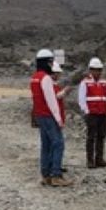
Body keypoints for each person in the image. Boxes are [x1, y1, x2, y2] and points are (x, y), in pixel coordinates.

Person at [31, 49, 72, 187]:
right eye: (50, 61)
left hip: (41, 115)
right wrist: (59, 119)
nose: (51, 64)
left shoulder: (35, 77)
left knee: (46, 145)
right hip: (49, 115)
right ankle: (56, 175)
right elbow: (51, 100)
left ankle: (45, 175)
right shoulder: (46, 78)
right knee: (58, 143)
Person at [78, 57, 106, 169]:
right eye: (95, 69)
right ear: (90, 70)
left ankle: (99, 159)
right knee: (91, 137)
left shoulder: (104, 82)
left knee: (101, 136)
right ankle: (90, 160)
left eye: (99, 70)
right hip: (92, 114)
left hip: (103, 113)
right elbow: (81, 99)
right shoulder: (85, 82)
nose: (97, 72)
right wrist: (86, 111)